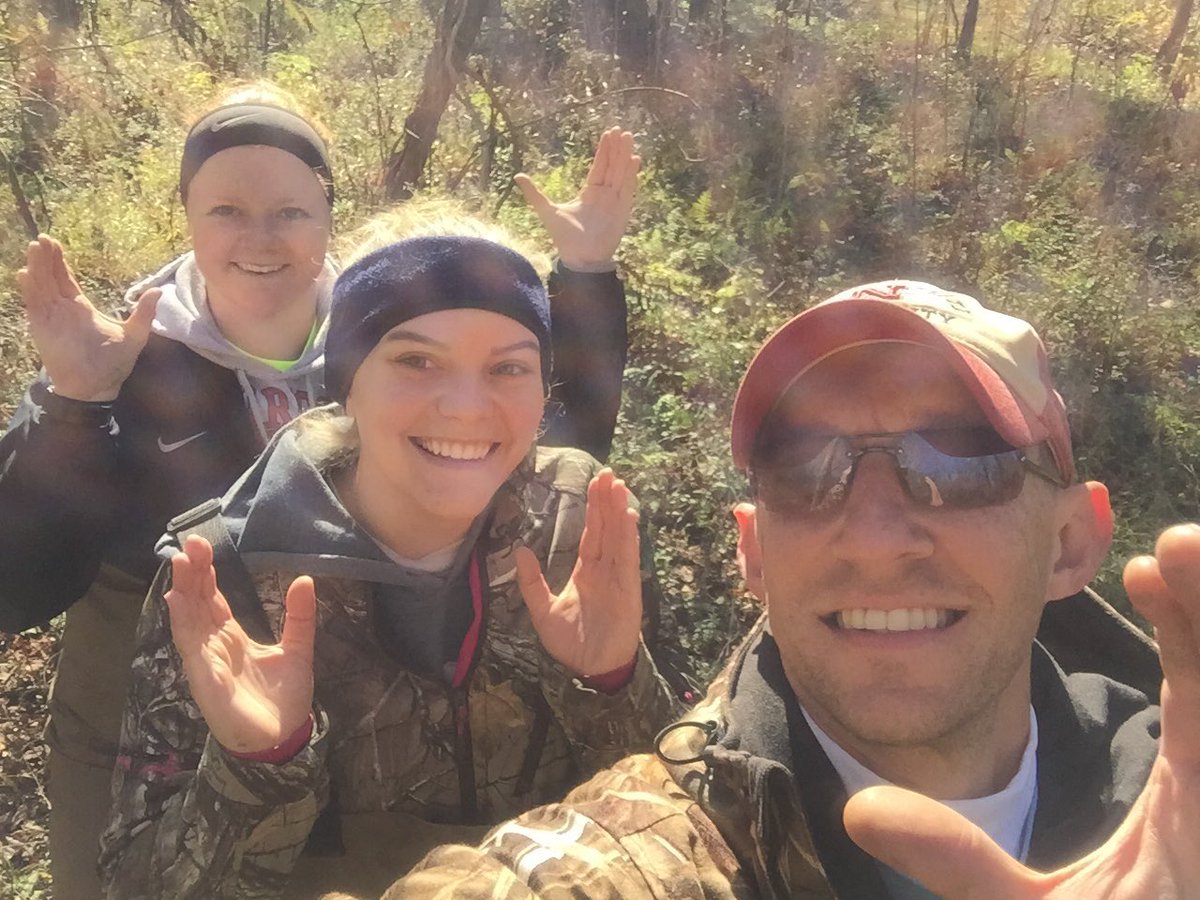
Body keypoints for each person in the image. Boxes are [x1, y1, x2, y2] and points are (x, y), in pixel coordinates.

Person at [0, 76, 642, 898]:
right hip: (142, 706)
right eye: (226, 209)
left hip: (339, 694)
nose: (259, 237)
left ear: (329, 212)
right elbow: (19, 587)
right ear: (187, 216)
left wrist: (583, 278)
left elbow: (521, 453)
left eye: (290, 211)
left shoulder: (388, 328)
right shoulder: (122, 355)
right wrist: (73, 407)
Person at [381, 279, 1197, 899]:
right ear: (755, 554)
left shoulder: (1174, 806)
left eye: (959, 461)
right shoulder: (647, 853)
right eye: (807, 470)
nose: (876, 538)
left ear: (1069, 542)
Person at [96, 234, 684, 900]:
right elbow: (133, 885)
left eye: (509, 368)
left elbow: (688, 819)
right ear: (348, 386)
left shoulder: (581, 522)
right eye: (416, 361)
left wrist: (613, 684)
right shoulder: (223, 577)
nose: (466, 405)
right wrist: (258, 766)